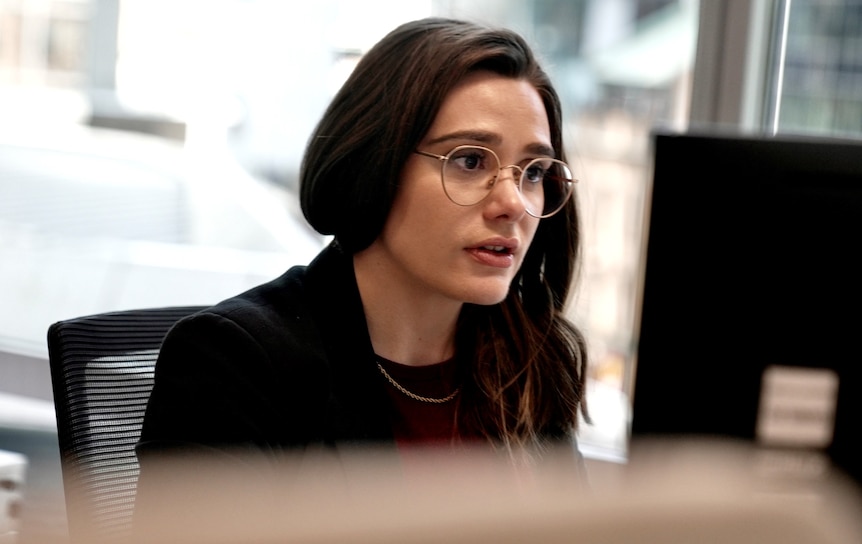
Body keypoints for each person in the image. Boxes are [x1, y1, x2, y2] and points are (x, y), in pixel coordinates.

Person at [135, 17, 589, 486]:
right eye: (469, 161)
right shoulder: (233, 361)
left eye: (533, 172)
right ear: (374, 165)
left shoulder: (526, 360)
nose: (513, 203)